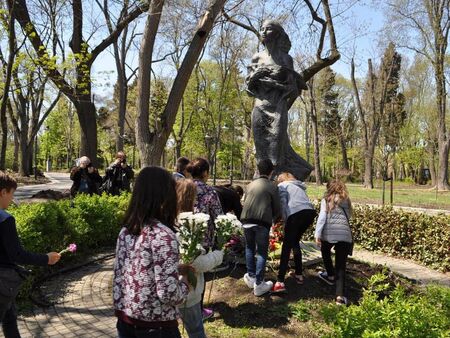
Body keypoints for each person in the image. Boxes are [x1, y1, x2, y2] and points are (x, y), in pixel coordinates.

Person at [113, 166, 191, 338]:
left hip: (126, 320)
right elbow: (169, 294)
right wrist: (186, 283)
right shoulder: (163, 235)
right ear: (165, 194)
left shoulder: (126, 230)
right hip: (157, 326)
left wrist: (175, 269)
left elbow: (137, 271)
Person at [246, 20, 312, 180]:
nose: (263, 32)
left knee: (277, 145)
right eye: (261, 29)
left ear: (276, 34)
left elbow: (293, 89)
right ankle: (261, 178)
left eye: (267, 29)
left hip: (278, 107)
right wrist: (256, 75)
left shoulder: (286, 59)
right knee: (261, 148)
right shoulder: (256, 58)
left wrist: (275, 82)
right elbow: (248, 88)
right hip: (260, 107)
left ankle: (277, 178)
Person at [0, 171, 60, 338]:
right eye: (11, 194)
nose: (12, 200)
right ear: (3, 192)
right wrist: (46, 259)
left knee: (10, 315)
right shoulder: (5, 219)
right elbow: (17, 254)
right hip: (2, 282)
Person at [175, 179, 223, 338]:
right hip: (187, 291)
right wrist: (217, 256)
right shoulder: (187, 224)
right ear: (190, 198)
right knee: (196, 331)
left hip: (169, 291)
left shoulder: (168, 219)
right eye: (194, 197)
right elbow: (194, 263)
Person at [185, 158, 223, 320]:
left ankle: (183, 305)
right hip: (203, 238)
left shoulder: (181, 187)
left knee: (183, 270)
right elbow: (218, 216)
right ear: (205, 173)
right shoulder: (209, 191)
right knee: (199, 272)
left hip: (182, 235)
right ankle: (198, 310)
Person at [240, 159, 281, 296]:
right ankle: (259, 283)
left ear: (258, 170)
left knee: (249, 248)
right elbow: (277, 208)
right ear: (271, 171)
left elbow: (245, 202)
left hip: (246, 220)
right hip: (261, 222)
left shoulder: (250, 185)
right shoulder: (272, 186)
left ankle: (251, 277)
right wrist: (275, 220)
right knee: (262, 252)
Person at [272, 172, 316, 293]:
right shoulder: (299, 186)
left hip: (295, 213)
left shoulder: (283, 186)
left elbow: (283, 204)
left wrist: (283, 220)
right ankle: (299, 274)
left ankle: (280, 281)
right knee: (295, 241)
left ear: (281, 180)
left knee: (286, 246)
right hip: (310, 213)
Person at [315, 179, 353, 306]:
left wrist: (317, 234)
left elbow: (322, 217)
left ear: (329, 188)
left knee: (325, 250)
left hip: (329, 233)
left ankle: (330, 275)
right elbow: (348, 217)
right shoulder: (346, 200)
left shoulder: (327, 199)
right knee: (341, 266)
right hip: (345, 234)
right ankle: (340, 298)